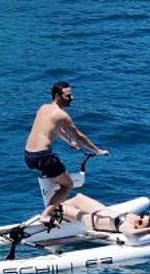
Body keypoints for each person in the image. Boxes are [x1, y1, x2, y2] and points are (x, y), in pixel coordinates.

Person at [23, 80, 103, 217]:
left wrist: (69, 141)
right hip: (44, 157)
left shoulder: (43, 108)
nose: (72, 98)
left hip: (29, 156)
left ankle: (53, 209)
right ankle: (46, 215)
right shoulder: (62, 115)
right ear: (57, 96)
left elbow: (56, 128)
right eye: (68, 96)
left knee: (54, 176)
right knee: (67, 185)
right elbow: (79, 136)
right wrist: (97, 150)